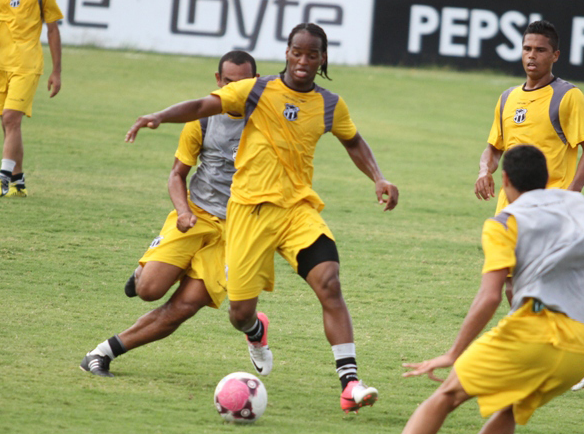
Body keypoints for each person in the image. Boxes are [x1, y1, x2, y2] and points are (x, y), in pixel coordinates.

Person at [340, 145, 584, 434]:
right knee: (512, 409)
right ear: (547, 177)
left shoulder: (505, 220)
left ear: (505, 180)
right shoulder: (583, 205)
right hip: (582, 347)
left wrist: (454, 352)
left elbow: (489, 297)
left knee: (447, 395)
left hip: (535, 330)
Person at [125, 23, 399, 413]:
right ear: (286, 52)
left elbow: (352, 140)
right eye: (297, 52)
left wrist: (378, 176)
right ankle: (255, 329)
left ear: (323, 59)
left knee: (330, 282)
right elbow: (204, 105)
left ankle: (350, 383)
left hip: (296, 212)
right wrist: (159, 116)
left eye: (312, 54)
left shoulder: (329, 105)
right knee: (239, 313)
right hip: (249, 216)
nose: (303, 61)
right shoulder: (255, 90)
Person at [80, 51, 258, 377]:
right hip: (196, 213)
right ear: (218, 82)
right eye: (229, 82)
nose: (235, 89)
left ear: (255, 83)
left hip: (238, 229)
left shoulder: (266, 121)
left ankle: (102, 353)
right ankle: (142, 274)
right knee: (149, 291)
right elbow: (177, 175)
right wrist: (183, 211)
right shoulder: (202, 120)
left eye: (244, 83)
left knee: (184, 307)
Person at [474, 20, 584, 390]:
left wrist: (572, 193)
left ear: (555, 55)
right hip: (509, 210)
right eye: (527, 48)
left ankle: (568, 357)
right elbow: (494, 146)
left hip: (548, 209)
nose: (532, 56)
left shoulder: (567, 96)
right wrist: (484, 169)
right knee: (513, 284)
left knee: (539, 285)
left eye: (540, 50)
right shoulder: (508, 98)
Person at [0, 0, 63, 198]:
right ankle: (18, 183)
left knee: (10, 119)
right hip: (0, 65)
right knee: (7, 123)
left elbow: (53, 30)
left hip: (27, 65)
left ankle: (3, 180)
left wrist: (56, 71)